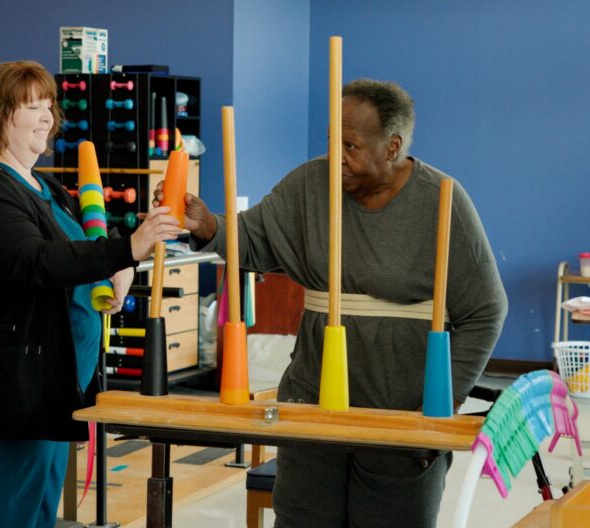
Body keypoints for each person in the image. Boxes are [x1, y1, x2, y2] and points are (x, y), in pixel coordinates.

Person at [156, 79, 507, 527]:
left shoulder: (442, 199)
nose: (336, 155)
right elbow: (254, 238)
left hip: (400, 414)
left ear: (392, 147)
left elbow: (486, 311)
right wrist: (207, 225)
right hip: (312, 401)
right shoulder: (311, 184)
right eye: (331, 140)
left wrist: (438, 407)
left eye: (352, 145)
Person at [0, 60, 182, 528]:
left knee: (38, 512)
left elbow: (81, 252)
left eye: (49, 106)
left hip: (46, 384)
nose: (48, 117)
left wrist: (121, 261)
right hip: (0, 390)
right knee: (5, 515)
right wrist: (125, 249)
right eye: (32, 106)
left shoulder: (45, 187)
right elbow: (34, 262)